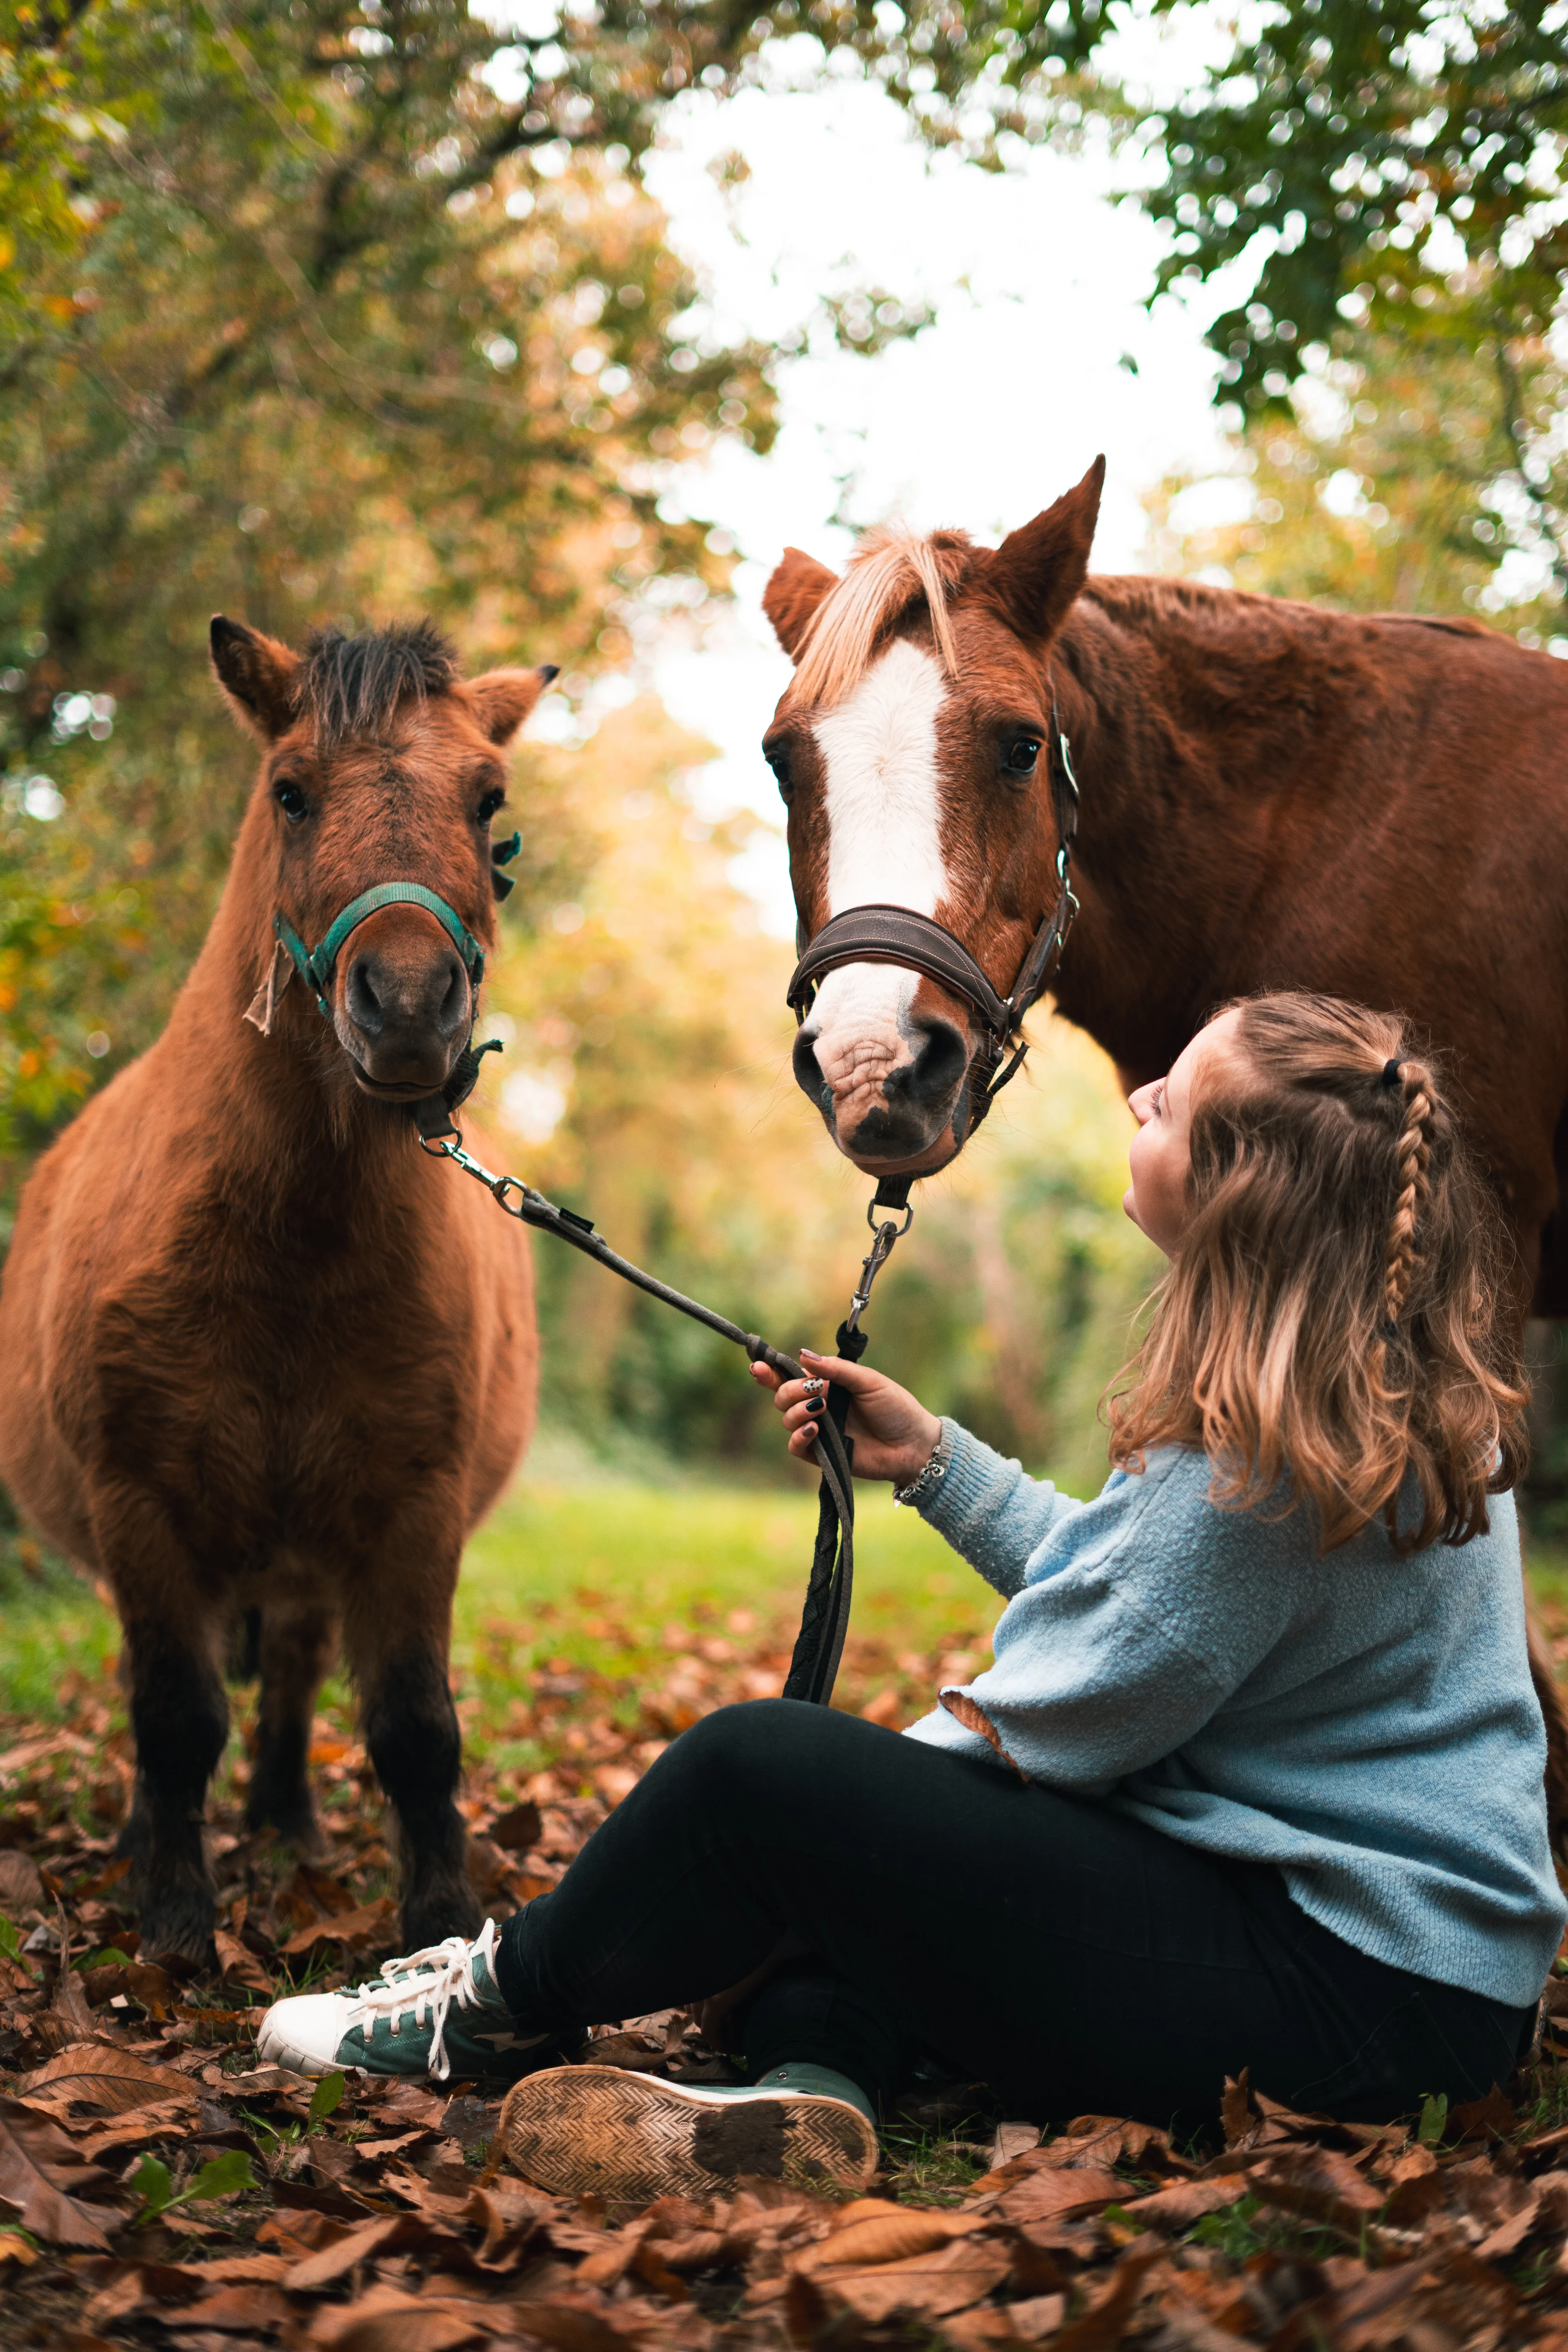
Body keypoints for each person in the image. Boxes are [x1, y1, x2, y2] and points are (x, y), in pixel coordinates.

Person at [258, 993, 1564, 2203]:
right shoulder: (1372, 1390)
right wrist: (932, 1463)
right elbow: (1145, 1595)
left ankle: (491, 1999)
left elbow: (1060, 1716)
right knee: (852, 1883)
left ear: (1232, 1195)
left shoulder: (1254, 1469)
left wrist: (812, 1835)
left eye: (1172, 1101)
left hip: (1351, 2003)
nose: (1137, 1097)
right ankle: (807, 2095)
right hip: (1416, 1988)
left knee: (756, 1776)